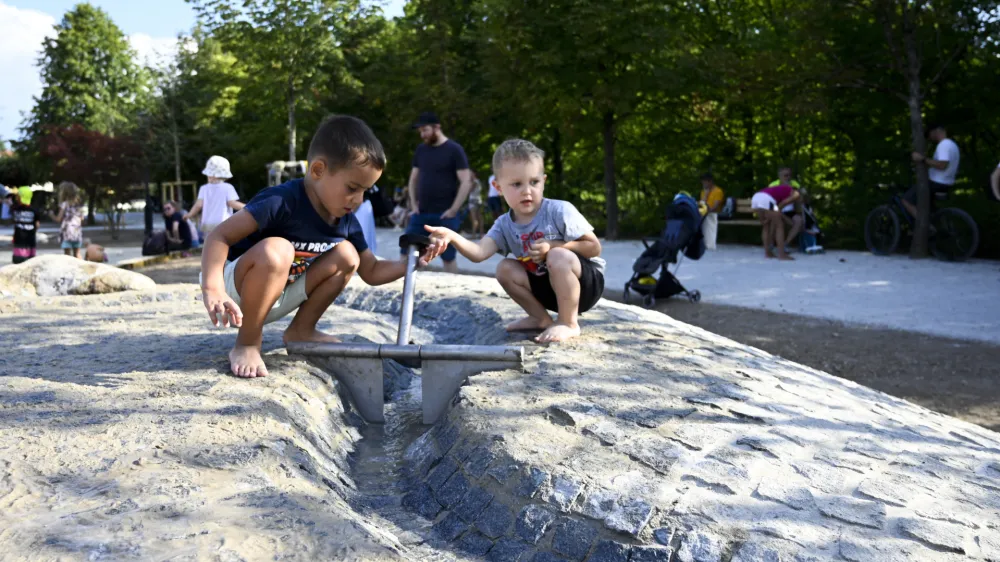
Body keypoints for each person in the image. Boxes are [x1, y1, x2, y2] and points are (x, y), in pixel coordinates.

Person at [199, 115, 444, 378]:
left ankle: (301, 330)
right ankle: (247, 343)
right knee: (277, 250)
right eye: (352, 188)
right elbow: (218, 237)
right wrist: (213, 289)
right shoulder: (281, 201)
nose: (359, 199)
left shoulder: (345, 220)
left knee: (348, 255)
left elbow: (371, 270)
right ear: (318, 170)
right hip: (234, 291)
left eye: (366, 191)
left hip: (277, 292)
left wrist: (410, 263)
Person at [425, 139, 605, 344]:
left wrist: (553, 246)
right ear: (498, 187)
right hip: (549, 289)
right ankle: (540, 317)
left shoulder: (559, 210)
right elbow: (479, 253)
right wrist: (452, 236)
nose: (527, 191)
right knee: (504, 268)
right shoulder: (504, 224)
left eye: (534, 182)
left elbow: (594, 247)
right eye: (517, 184)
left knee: (558, 255)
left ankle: (568, 323)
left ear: (544, 181)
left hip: (585, 285)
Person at [403, 111, 473, 273]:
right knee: (407, 254)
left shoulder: (455, 150)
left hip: (445, 215)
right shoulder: (421, 150)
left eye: (425, 130)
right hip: (420, 215)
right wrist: (413, 205)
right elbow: (413, 179)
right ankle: (403, 292)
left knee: (448, 258)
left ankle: (453, 295)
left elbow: (466, 181)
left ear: (437, 127)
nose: (422, 135)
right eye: (420, 131)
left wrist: (454, 210)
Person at [183, 155, 245, 237]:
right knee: (224, 244)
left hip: (207, 224)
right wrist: (249, 207)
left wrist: (189, 215)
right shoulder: (228, 187)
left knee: (209, 245)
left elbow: (198, 205)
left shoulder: (204, 188)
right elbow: (232, 203)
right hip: (223, 222)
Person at [906, 124, 959, 218]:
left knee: (906, 200)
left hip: (936, 183)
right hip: (946, 183)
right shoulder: (952, 144)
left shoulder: (944, 144)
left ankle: (926, 226)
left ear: (936, 131)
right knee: (929, 208)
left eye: (929, 134)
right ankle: (934, 223)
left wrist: (922, 159)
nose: (930, 138)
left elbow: (942, 165)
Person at [750, 182, 800, 260]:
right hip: (766, 199)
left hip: (756, 197)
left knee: (766, 226)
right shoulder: (795, 193)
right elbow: (783, 203)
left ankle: (768, 253)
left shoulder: (778, 189)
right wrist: (778, 212)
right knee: (779, 226)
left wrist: (763, 219)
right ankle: (781, 255)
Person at [770, 167, 804, 250]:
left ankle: (785, 244)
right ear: (780, 176)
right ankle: (770, 244)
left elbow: (801, 197)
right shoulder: (773, 185)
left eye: (789, 175)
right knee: (774, 218)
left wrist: (799, 191)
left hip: (790, 211)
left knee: (799, 220)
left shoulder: (794, 184)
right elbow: (770, 201)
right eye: (785, 175)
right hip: (777, 210)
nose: (788, 177)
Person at [52, 181, 85, 258]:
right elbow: (82, 219)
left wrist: (51, 215)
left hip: (67, 233)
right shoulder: (78, 205)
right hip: (77, 232)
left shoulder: (64, 204)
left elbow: (58, 219)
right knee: (77, 254)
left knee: (67, 256)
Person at [11, 187, 39, 264]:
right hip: (23, 238)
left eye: (18, 196)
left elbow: (37, 223)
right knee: (22, 262)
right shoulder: (34, 209)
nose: (17, 198)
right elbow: (37, 224)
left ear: (22, 196)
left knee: (26, 262)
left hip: (27, 239)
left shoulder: (15, 208)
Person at [698, 173, 725, 250]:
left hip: (713, 213)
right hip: (704, 211)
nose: (703, 184)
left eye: (704, 182)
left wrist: (707, 211)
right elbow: (701, 203)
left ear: (710, 182)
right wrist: (706, 195)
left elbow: (716, 206)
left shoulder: (718, 191)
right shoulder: (703, 191)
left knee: (708, 218)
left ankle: (709, 244)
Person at [466, 171, 484, 237]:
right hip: (478, 201)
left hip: (472, 201)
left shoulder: (474, 182)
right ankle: (481, 234)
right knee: (480, 218)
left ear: (474, 174)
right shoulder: (478, 181)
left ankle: (473, 234)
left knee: (474, 218)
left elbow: (469, 191)